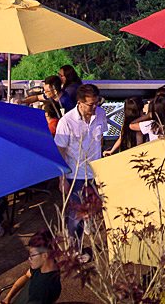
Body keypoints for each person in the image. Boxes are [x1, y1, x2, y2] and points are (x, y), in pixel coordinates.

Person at [54, 84, 106, 235]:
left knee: (95, 208)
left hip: (96, 172)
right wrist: (62, 178)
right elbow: (60, 151)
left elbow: (101, 138)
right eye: (91, 104)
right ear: (80, 102)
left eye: (97, 103)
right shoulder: (66, 122)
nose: (94, 107)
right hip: (76, 174)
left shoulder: (101, 114)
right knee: (76, 216)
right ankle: (74, 248)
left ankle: (88, 227)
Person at [0, 232, 61, 304]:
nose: (29, 259)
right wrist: (8, 297)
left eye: (32, 255)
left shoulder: (42, 291)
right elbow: (27, 275)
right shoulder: (45, 265)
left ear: (45, 255)